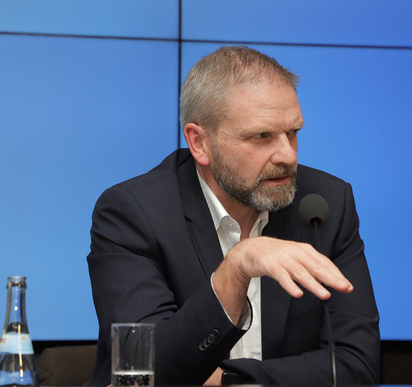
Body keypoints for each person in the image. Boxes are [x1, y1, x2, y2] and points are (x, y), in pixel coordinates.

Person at [87, 46, 380, 386]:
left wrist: (228, 380)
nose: (287, 155)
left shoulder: (324, 203)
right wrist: (237, 268)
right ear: (200, 144)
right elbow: (148, 371)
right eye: (261, 136)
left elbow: (357, 366)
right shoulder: (133, 213)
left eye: (293, 133)